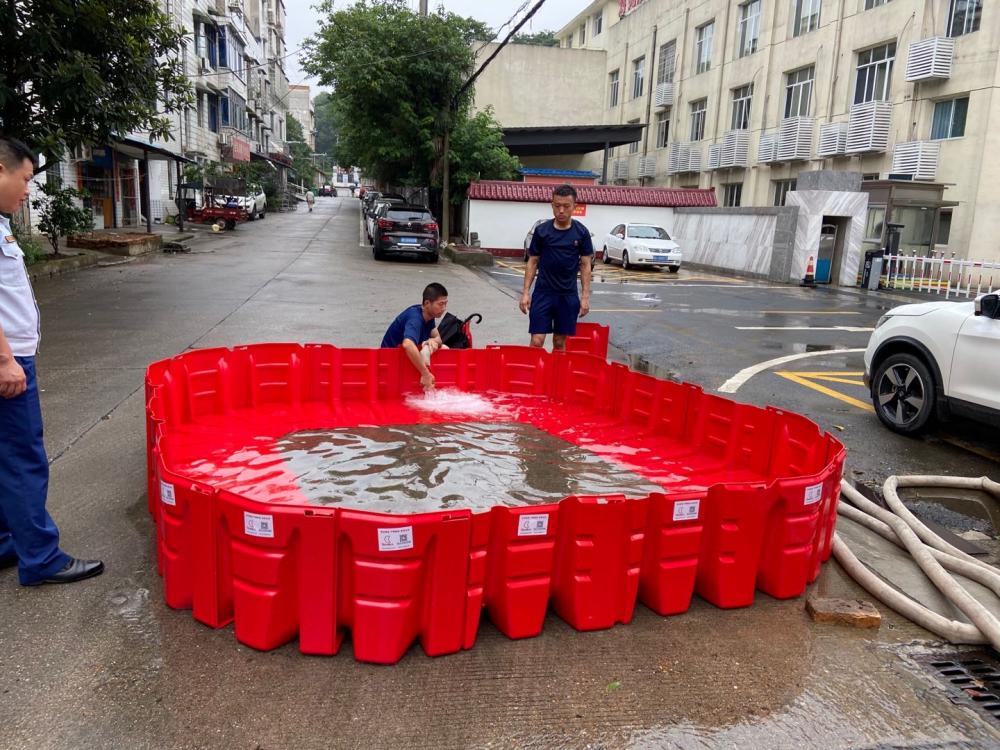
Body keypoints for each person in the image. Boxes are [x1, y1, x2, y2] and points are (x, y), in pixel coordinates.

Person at [0, 137, 104, 586]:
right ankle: (41, 558)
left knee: (7, 458)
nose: (27, 190)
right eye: (24, 179)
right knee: (24, 459)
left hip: (13, 354)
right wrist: (5, 359)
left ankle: (9, 542)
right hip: (9, 360)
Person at [519, 184, 593, 351]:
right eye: (557, 205)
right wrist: (525, 293)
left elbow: (585, 264)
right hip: (543, 293)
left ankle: (556, 377)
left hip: (567, 295)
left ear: (574, 206)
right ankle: (534, 375)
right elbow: (533, 261)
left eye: (566, 206)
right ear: (552, 205)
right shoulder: (542, 231)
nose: (561, 210)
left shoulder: (581, 233)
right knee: (537, 341)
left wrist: (585, 297)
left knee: (560, 342)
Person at [380, 283, 449, 391]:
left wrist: (432, 340)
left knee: (443, 347)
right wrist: (425, 374)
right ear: (427, 303)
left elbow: (439, 339)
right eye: (440, 304)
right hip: (390, 363)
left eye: (445, 304)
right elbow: (407, 344)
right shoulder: (415, 319)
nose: (444, 308)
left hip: (405, 357)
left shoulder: (429, 315)